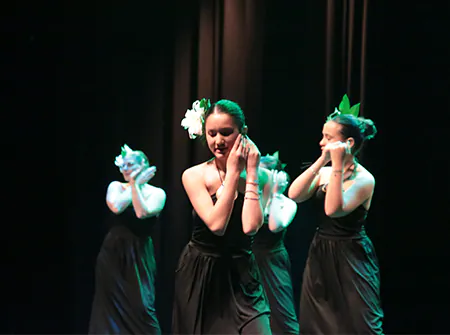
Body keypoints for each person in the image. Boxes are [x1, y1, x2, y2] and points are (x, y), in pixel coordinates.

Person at [173, 98, 272, 334]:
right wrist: (233, 173)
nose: (218, 141)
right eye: (212, 133)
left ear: (243, 132)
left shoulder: (263, 176)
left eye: (226, 133)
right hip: (202, 271)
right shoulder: (194, 175)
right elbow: (217, 224)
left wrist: (251, 173)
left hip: (242, 271)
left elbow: (250, 227)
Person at [288, 95, 384, 334]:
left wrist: (338, 166)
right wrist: (323, 160)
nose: (321, 142)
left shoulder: (364, 179)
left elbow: (333, 210)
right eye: (322, 136)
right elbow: (294, 194)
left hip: (351, 256)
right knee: (318, 323)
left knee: (361, 323)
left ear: (348, 143)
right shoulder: (326, 171)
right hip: (321, 252)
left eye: (328, 138)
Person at [89, 144, 166, 334]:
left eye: (130, 165)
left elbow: (141, 212)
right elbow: (116, 207)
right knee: (108, 309)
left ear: (144, 165)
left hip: (139, 255)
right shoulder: (115, 187)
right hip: (113, 253)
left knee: (142, 306)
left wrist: (136, 186)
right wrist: (134, 184)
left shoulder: (157, 193)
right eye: (123, 165)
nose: (125, 169)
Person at [253, 152, 299, 335]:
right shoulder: (251, 201)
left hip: (272, 262)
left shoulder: (286, 203)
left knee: (281, 313)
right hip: (247, 259)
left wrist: (276, 195)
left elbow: (274, 225)